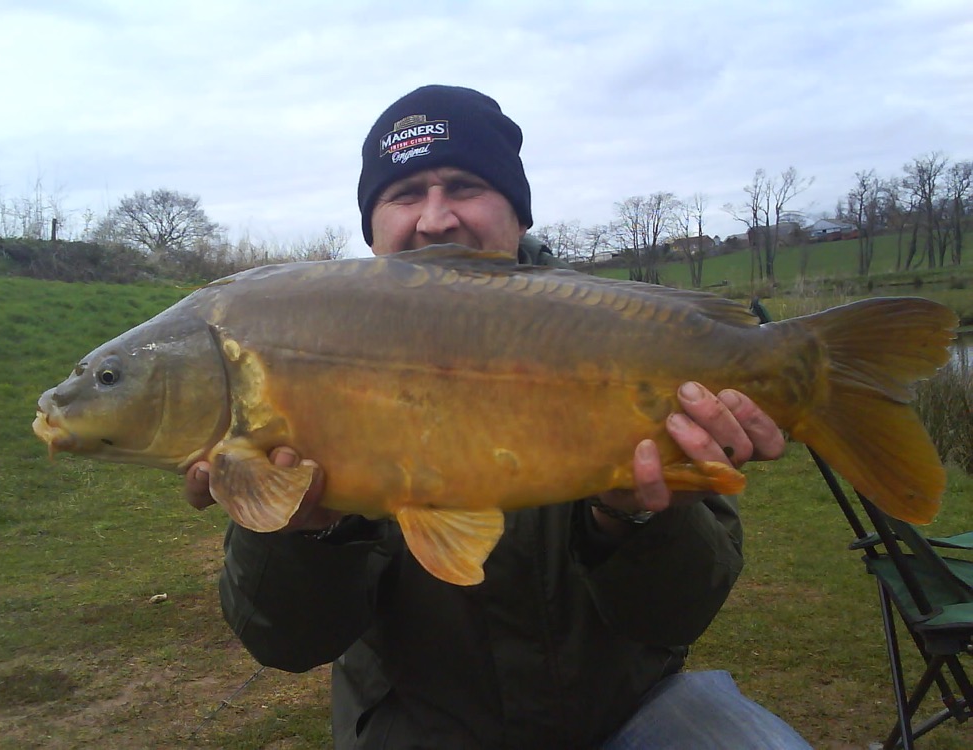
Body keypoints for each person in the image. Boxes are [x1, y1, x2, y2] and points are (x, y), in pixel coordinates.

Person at [186, 85, 810, 749]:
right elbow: (285, 641)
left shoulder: (621, 333)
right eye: (403, 194)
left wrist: (633, 516)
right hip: (419, 729)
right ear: (371, 229)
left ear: (517, 213)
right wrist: (301, 533)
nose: (434, 219)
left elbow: (676, 614)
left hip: (631, 713)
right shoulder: (300, 364)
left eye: (462, 185)